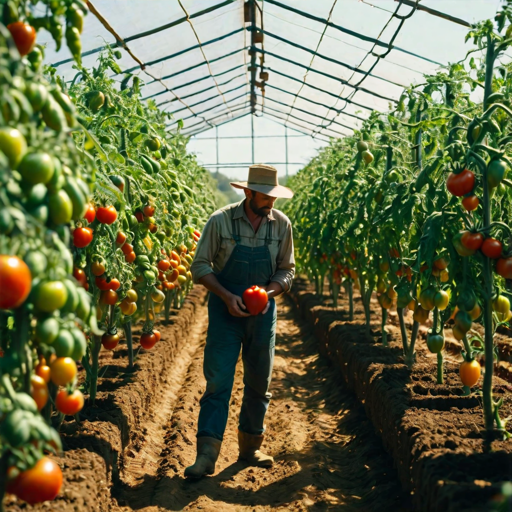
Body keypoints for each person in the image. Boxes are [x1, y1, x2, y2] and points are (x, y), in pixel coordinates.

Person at [186, 164, 295, 479]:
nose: (270, 202)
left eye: (273, 196)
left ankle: (250, 447)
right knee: (218, 381)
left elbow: (287, 269)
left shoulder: (282, 225)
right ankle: (206, 455)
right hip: (225, 310)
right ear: (247, 192)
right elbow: (200, 266)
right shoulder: (220, 221)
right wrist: (225, 296)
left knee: (259, 382)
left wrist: (268, 292)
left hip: (263, 313)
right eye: (264, 195)